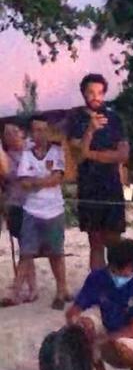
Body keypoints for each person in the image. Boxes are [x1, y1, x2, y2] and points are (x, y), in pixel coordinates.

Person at [66, 238, 133, 370]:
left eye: (124, 273)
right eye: (114, 271)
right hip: (105, 340)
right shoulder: (98, 278)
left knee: (122, 345)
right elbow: (73, 311)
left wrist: (105, 340)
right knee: (85, 325)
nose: (118, 276)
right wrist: (77, 324)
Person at [68, 74, 129, 270]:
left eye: (99, 92)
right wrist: (90, 131)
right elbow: (77, 155)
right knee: (95, 242)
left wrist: (91, 154)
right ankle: (98, 286)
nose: (96, 97)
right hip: (89, 187)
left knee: (114, 241)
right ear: (84, 93)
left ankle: (117, 286)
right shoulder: (76, 119)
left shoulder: (114, 118)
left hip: (111, 185)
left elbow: (123, 154)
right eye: (91, 92)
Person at [9, 115, 69, 310]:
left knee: (56, 253)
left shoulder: (57, 151)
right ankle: (16, 292)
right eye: (35, 130)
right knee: (26, 253)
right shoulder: (27, 154)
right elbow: (24, 182)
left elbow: (57, 178)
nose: (39, 134)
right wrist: (43, 180)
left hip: (53, 210)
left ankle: (61, 290)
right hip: (32, 209)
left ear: (49, 131)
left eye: (43, 130)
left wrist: (36, 181)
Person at [1, 123, 38, 304]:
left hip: (34, 204)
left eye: (14, 132)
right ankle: (32, 288)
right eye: (7, 134)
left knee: (27, 247)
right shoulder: (6, 156)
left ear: (22, 133)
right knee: (25, 246)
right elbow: (7, 175)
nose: (11, 136)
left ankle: (16, 290)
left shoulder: (33, 149)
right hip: (15, 204)